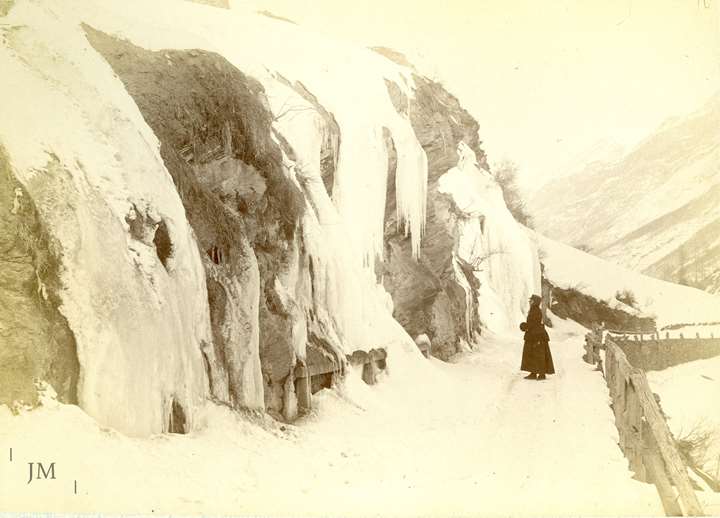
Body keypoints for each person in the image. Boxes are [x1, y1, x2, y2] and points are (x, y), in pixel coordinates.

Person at [520, 294, 555, 380]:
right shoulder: (534, 310)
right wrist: (526, 326)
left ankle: (541, 374)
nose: (529, 301)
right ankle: (533, 373)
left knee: (538, 355)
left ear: (534, 302)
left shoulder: (535, 311)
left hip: (537, 336)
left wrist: (525, 326)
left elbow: (534, 324)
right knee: (533, 354)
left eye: (531, 300)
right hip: (534, 335)